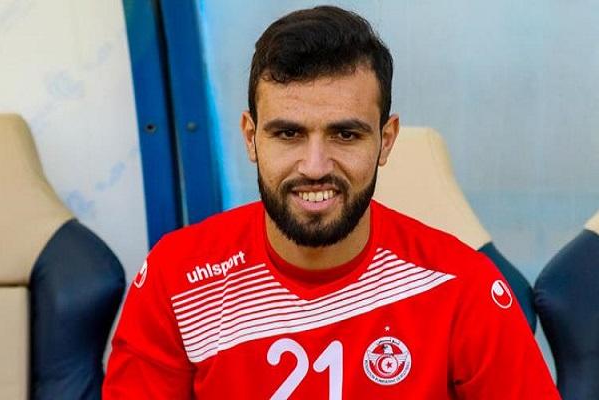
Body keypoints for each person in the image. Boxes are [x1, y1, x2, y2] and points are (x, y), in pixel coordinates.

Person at [103, 5, 560, 399]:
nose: (315, 166)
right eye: (288, 133)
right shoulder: (175, 280)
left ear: (386, 140)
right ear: (250, 137)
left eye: (345, 134)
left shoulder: (463, 287)